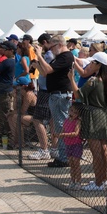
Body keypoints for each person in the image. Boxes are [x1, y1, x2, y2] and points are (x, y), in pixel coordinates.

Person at [36, 34, 77, 168]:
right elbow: (45, 73)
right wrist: (37, 63)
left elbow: (48, 69)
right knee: (59, 124)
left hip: (61, 94)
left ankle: (64, 158)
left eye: (52, 47)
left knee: (61, 125)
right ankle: (63, 156)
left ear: (59, 45)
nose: (51, 50)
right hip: (55, 94)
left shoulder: (66, 56)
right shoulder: (58, 57)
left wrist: (40, 56)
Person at [77, 52, 107, 191]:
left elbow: (78, 95)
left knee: (96, 152)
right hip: (104, 115)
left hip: (93, 115)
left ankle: (99, 182)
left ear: (99, 65)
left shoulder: (94, 80)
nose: (90, 64)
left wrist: (71, 79)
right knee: (103, 149)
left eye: (93, 62)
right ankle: (103, 179)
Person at [59, 102, 85, 189]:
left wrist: (65, 135)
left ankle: (78, 182)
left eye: (75, 112)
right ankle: (72, 181)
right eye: (71, 111)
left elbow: (76, 133)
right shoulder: (66, 120)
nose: (72, 113)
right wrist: (60, 134)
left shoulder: (77, 121)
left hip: (76, 144)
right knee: (71, 164)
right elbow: (63, 130)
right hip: (68, 144)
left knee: (76, 163)